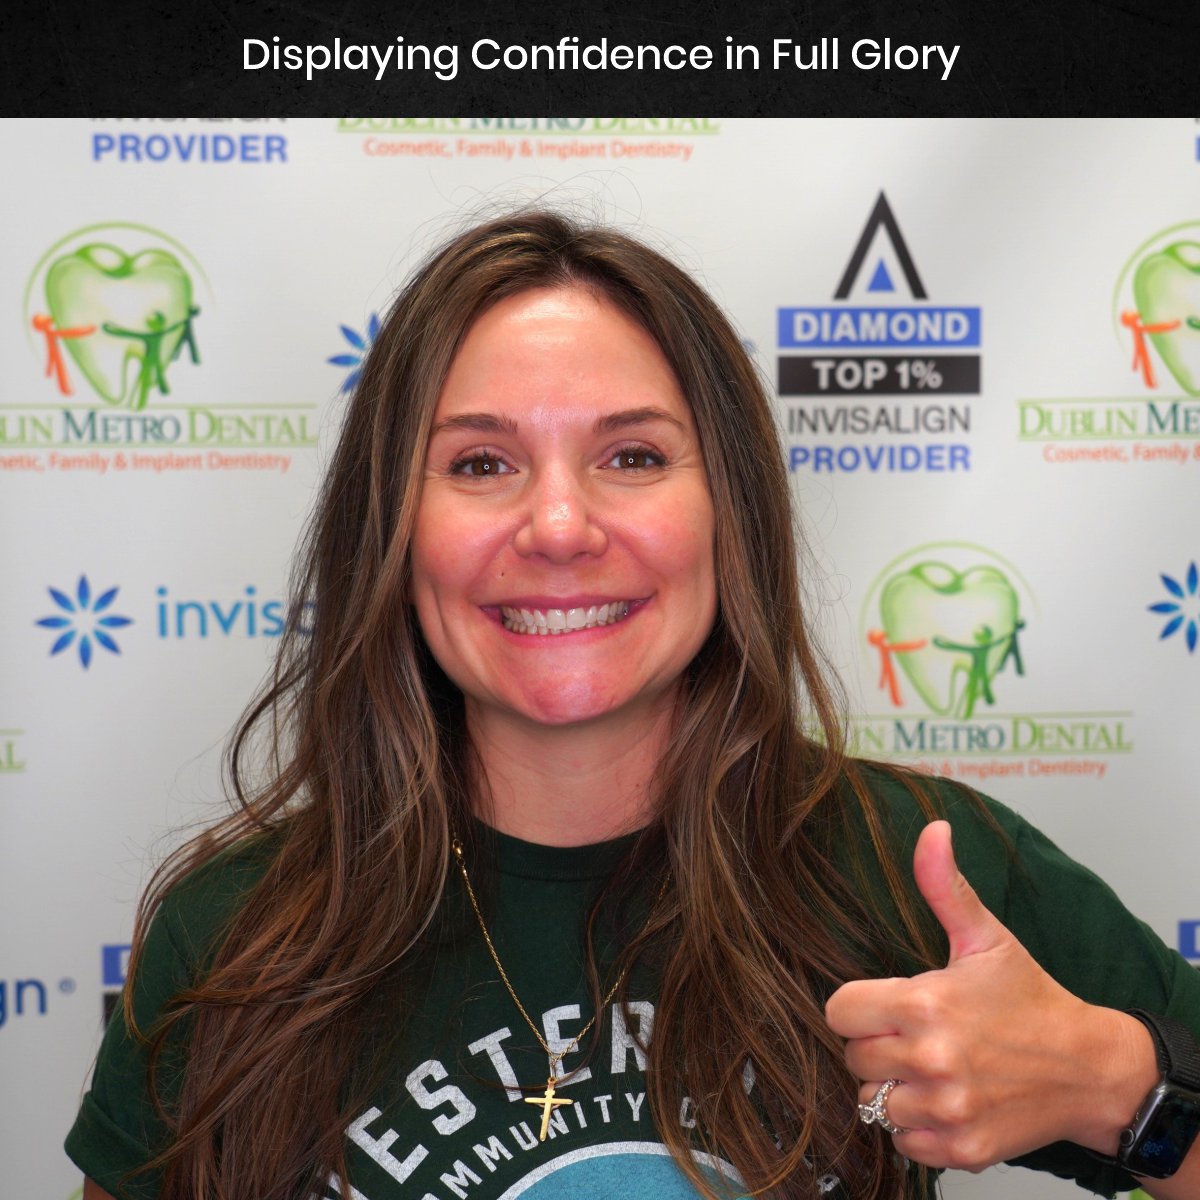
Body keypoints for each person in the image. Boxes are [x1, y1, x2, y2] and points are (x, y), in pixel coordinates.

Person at [67, 210, 1200, 1200]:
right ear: (393, 533)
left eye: (634, 456)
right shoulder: (235, 933)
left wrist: (1118, 1088)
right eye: (480, 464)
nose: (560, 527)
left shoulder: (918, 865)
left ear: (729, 513)